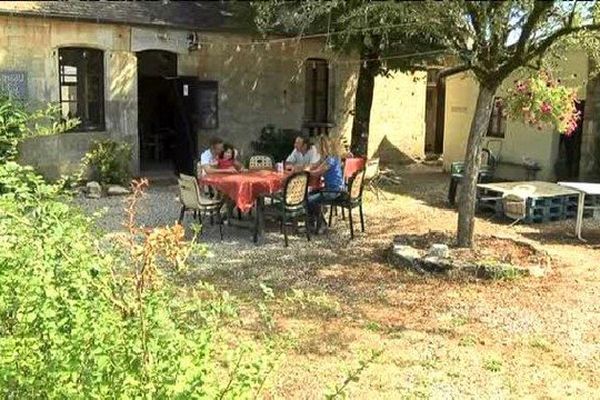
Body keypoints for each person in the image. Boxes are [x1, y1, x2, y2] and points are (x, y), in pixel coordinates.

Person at [307, 135, 345, 234]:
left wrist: (305, 172)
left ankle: (321, 224)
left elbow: (317, 172)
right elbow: (315, 165)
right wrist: (305, 167)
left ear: (322, 147)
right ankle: (312, 223)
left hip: (334, 191)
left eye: (317, 147)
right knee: (307, 195)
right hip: (331, 188)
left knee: (310, 200)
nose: (316, 149)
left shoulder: (330, 160)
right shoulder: (328, 157)